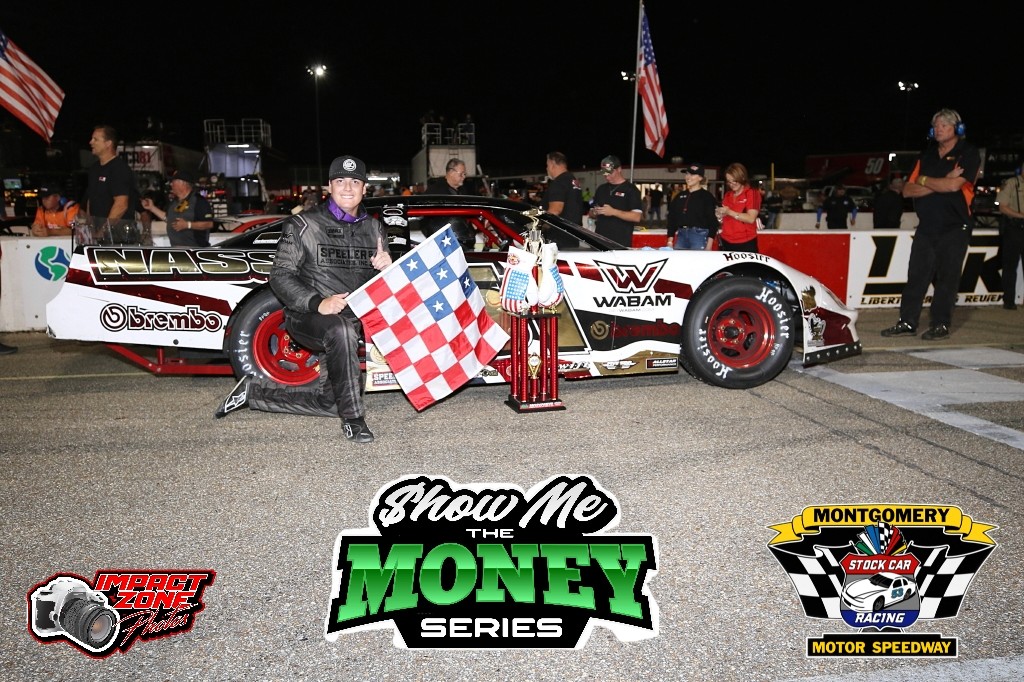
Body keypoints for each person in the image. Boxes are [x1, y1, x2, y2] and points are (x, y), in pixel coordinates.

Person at [214, 155, 393, 444]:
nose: (348, 187)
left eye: (355, 182)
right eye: (340, 181)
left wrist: (388, 268)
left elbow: (382, 288)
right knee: (340, 329)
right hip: (305, 318)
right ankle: (354, 420)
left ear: (364, 189)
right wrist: (317, 302)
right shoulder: (303, 224)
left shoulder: (374, 229)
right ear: (330, 186)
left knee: (330, 399)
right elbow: (280, 276)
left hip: (350, 323)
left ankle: (254, 393)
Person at [881, 108, 981, 341]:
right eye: (936, 126)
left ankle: (941, 324)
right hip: (927, 227)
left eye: (944, 125)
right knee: (916, 277)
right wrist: (943, 179)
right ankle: (907, 322)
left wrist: (927, 182)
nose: (938, 129)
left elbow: (955, 187)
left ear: (957, 128)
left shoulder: (968, 152)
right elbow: (907, 190)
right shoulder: (926, 155)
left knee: (947, 279)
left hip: (955, 227)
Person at [83, 125, 139, 244]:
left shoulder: (119, 169)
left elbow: (121, 204)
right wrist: (89, 227)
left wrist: (103, 231)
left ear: (108, 143)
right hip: (98, 237)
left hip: (119, 237)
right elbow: (90, 200)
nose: (91, 142)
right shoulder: (94, 169)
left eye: (95, 139)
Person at [141, 170, 215, 246]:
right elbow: (168, 218)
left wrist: (188, 225)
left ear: (183, 183)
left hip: (194, 250)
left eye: (173, 182)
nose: (171, 184)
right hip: (177, 250)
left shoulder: (199, 201)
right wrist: (152, 208)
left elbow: (209, 224)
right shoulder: (174, 202)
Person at [591, 155, 642, 248]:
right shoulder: (601, 189)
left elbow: (636, 217)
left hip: (620, 243)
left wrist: (613, 212)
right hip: (599, 241)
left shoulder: (631, 190)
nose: (607, 176)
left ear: (619, 169)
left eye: (610, 172)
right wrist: (594, 212)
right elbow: (591, 212)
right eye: (604, 173)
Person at [665, 163, 718, 250]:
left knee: (698, 263)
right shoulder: (679, 196)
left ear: (700, 178)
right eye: (687, 174)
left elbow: (713, 221)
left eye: (692, 174)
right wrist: (670, 241)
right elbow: (672, 218)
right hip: (681, 235)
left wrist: (709, 245)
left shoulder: (707, 196)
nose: (688, 177)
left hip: (699, 235)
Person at [716, 162, 761, 252]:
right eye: (729, 181)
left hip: (745, 242)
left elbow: (751, 218)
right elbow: (723, 217)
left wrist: (729, 212)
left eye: (734, 180)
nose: (732, 184)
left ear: (742, 178)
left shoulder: (752, 193)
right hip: (726, 240)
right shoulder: (728, 195)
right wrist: (719, 214)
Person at [996, 170, 1024, 310]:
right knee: (1010, 266)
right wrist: (1020, 215)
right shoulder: (1012, 183)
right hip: (1014, 228)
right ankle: (1009, 301)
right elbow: (1002, 207)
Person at [541, 151, 583, 225]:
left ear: (552, 163)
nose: (547, 168)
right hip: (575, 230)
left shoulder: (558, 182)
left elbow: (555, 211)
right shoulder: (572, 179)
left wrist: (542, 226)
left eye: (547, 165)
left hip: (562, 231)